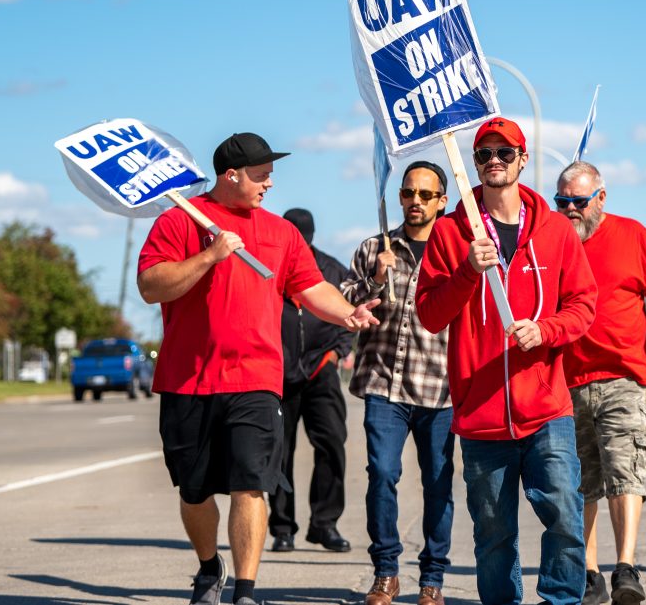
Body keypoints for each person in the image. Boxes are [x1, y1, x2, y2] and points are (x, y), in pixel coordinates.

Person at [137, 132, 380, 605]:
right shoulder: (179, 221)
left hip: (256, 381)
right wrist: (210, 255)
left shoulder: (280, 232)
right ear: (232, 175)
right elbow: (151, 285)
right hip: (189, 381)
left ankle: (245, 592)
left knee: (252, 484)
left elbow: (310, 287)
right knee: (194, 489)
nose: (270, 182)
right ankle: (210, 566)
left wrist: (346, 312)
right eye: (261, 174)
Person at [415, 117, 598, 605]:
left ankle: (562, 601)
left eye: (504, 152)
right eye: (484, 154)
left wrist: (545, 330)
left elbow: (583, 306)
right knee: (493, 537)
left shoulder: (557, 230)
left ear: (523, 159)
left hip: (546, 409)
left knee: (564, 516)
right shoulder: (452, 231)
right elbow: (430, 316)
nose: (494, 160)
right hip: (480, 417)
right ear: (473, 164)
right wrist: (465, 273)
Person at [555, 161, 646, 605]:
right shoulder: (553, 244)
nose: (570, 209)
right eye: (562, 202)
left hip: (622, 376)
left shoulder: (634, 236)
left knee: (625, 470)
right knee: (580, 481)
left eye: (578, 201)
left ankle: (625, 568)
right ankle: (589, 573)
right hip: (567, 382)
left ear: (601, 197)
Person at [341, 161, 453, 605]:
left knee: (438, 484)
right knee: (382, 474)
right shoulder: (375, 248)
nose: (415, 202)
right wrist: (376, 278)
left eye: (426, 195)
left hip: (440, 388)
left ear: (442, 201)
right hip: (383, 385)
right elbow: (343, 303)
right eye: (409, 193)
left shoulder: (456, 252)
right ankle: (386, 572)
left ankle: (433, 579)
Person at [268, 208, 353, 554]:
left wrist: (336, 353)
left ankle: (325, 524)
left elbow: (350, 310)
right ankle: (282, 529)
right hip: (278, 375)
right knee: (278, 454)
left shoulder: (332, 269)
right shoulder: (268, 267)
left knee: (332, 444)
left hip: (321, 370)